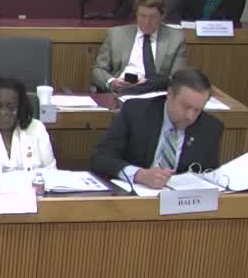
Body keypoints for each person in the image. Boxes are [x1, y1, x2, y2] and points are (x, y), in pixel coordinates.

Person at [90, 68, 224, 189]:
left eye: (197, 110)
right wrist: (139, 174)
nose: (190, 116)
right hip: (134, 199)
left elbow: (210, 177)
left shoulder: (210, 128)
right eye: (186, 107)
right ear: (170, 94)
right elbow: (100, 158)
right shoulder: (136, 112)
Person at [90, 0, 188, 92]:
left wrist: (151, 84)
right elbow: (98, 69)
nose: (147, 22)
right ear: (136, 14)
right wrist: (112, 82)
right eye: (142, 16)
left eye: (153, 17)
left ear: (162, 16)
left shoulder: (175, 39)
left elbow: (177, 79)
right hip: (121, 92)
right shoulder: (116, 34)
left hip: (156, 93)